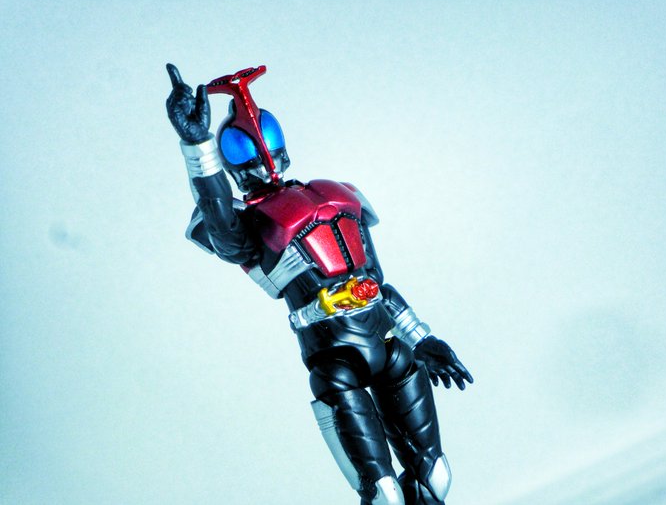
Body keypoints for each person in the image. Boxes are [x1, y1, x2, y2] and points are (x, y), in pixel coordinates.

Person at [164, 63, 473, 505]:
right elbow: (220, 224)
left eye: (266, 142)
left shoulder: (339, 196)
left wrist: (423, 338)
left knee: (435, 477)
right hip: (335, 363)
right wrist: (198, 147)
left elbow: (377, 286)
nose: (263, 156)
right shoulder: (249, 224)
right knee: (384, 494)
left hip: (390, 348)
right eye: (246, 148)